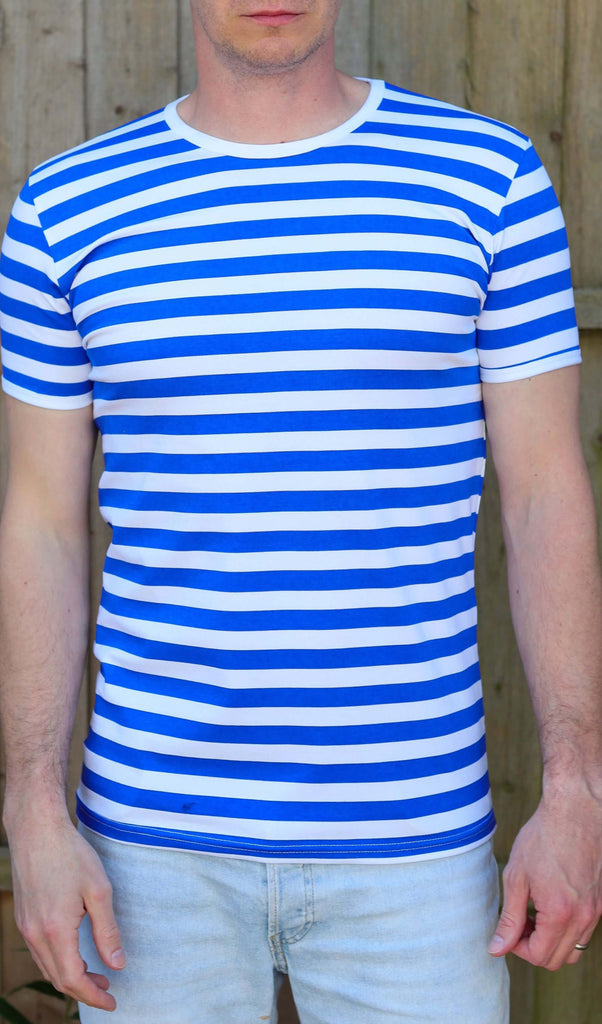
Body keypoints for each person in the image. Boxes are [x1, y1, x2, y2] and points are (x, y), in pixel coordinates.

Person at [0, 1, 600, 1021]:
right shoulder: (68, 210)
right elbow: (41, 522)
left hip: (414, 843)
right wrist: (31, 811)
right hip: (147, 851)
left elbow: (545, 493)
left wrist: (577, 788)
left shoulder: (485, 180)